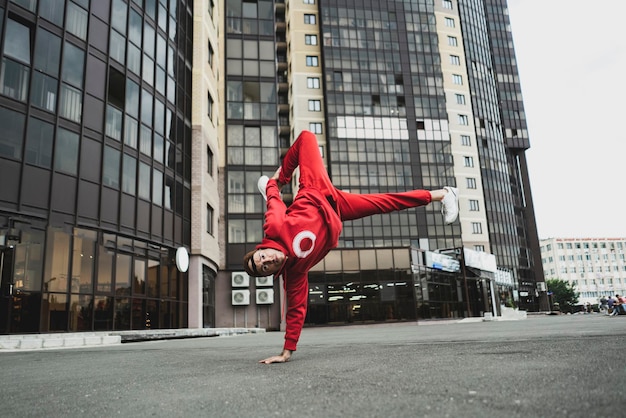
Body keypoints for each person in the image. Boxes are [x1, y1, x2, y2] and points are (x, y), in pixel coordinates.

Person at [243, 130, 459, 364]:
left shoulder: (274, 227)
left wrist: (277, 183)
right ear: (271, 272)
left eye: (262, 256)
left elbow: (274, 202)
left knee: (307, 137)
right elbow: (296, 309)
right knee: (383, 203)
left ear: (262, 248)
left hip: (316, 190)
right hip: (337, 210)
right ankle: (445, 194)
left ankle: (443, 194)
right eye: (264, 267)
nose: (266, 260)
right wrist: (286, 353)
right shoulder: (294, 273)